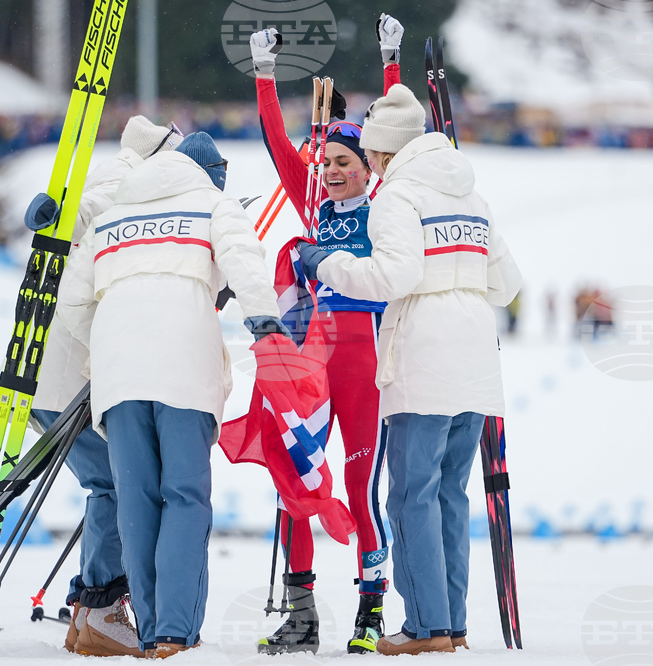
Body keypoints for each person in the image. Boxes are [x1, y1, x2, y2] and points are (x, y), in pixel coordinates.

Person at [296, 84, 522, 655]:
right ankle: (453, 624)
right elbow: (509, 284)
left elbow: (388, 279)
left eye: (370, 153)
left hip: (423, 356)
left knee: (410, 497)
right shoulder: (472, 195)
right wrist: (460, 284)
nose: (368, 163)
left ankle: (425, 628)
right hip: (476, 359)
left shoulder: (399, 198)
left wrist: (329, 263)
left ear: (387, 151)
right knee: (451, 495)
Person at [58, 132, 285, 659]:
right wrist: (265, 321)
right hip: (183, 366)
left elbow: (72, 303)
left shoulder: (114, 213)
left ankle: (151, 626)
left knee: (136, 500)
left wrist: (111, 334)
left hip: (118, 374)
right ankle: (174, 635)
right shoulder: (212, 201)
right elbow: (245, 260)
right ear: (210, 174)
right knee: (183, 496)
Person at [247, 13, 404, 655]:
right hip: (312, 362)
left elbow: (394, 118)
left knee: (362, 488)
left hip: (363, 359)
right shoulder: (311, 198)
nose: (334, 171)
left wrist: (390, 58)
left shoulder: (386, 203)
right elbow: (276, 140)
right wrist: (264, 73)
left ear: (368, 165)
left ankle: (370, 612)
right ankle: (302, 614)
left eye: (346, 161)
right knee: (296, 483)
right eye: (328, 162)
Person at [22, 115, 182, 657]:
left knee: (110, 484)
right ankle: (100, 608)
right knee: (117, 485)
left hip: (53, 376)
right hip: (74, 375)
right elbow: (83, 215)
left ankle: (88, 614)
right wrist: (54, 217)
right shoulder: (120, 188)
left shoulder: (118, 183)